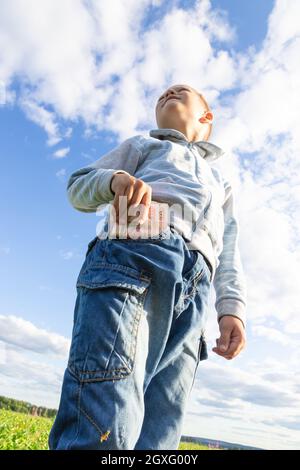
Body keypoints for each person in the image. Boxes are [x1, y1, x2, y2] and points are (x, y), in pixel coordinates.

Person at [48, 83, 247, 450]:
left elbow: (229, 250)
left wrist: (231, 309)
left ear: (206, 117)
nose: (168, 92)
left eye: (181, 91)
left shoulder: (222, 183)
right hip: (136, 255)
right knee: (108, 400)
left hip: (197, 290)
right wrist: (113, 180)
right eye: (163, 94)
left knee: (163, 422)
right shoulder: (145, 145)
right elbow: (77, 186)